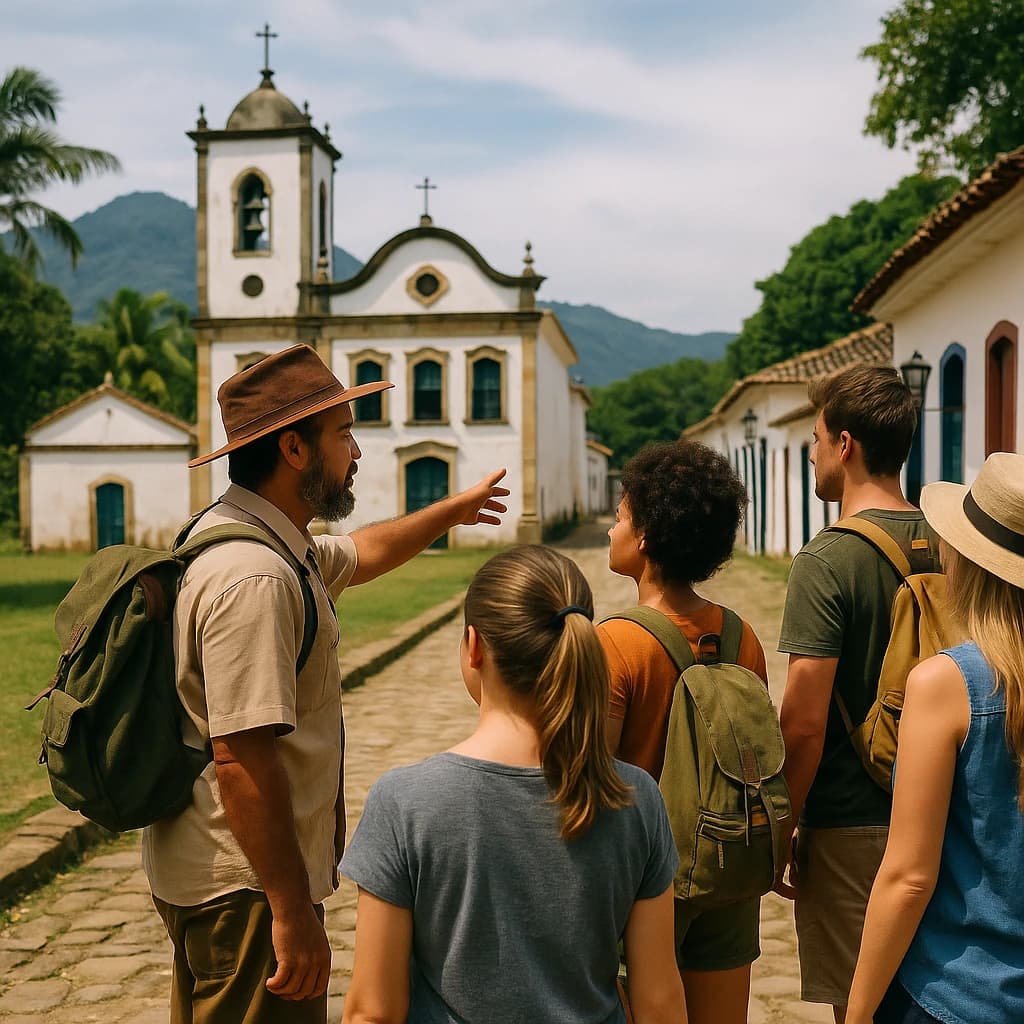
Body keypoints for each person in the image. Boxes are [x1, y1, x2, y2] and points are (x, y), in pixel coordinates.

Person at [144, 344, 510, 1024]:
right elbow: (242, 756)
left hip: (232, 879)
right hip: (247, 889)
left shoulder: (261, 538)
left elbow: (361, 553)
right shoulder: (254, 577)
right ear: (293, 448)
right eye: (343, 434)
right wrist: (290, 911)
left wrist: (452, 510)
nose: (357, 452)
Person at [340, 545, 687, 1024]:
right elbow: (659, 1001)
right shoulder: (634, 796)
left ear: (474, 646)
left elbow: (372, 1012)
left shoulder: (405, 802)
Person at [775, 363, 937, 1023]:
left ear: (845, 445)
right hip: (949, 813)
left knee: (862, 1007)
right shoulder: (953, 545)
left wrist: (784, 825)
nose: (813, 454)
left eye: (816, 439)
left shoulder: (826, 560)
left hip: (854, 820)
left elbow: (804, 722)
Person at [845, 452, 1024, 1024]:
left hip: (959, 991)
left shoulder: (948, 684)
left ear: (969, 562)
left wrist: (857, 1013)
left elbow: (908, 877)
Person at [598, 439, 770, 1024]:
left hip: (642, 883)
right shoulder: (741, 636)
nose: (611, 528)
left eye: (620, 516)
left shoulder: (614, 644)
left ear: (646, 537)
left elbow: (595, 780)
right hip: (725, 866)